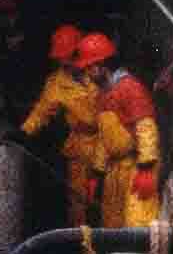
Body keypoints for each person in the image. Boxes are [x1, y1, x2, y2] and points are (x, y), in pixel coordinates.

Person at [20, 25, 102, 225]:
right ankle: (82, 243)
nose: (67, 63)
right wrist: (24, 132)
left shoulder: (98, 69)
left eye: (70, 57)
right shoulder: (56, 84)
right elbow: (41, 112)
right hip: (81, 148)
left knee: (111, 195)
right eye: (63, 60)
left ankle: (115, 240)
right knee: (79, 200)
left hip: (110, 142)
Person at [96, 55, 162, 230]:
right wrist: (98, 172)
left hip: (136, 167)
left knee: (137, 223)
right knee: (112, 225)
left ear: (101, 67)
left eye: (89, 67)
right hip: (115, 170)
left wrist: (146, 167)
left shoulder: (130, 88)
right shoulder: (104, 94)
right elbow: (105, 138)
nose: (87, 73)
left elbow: (146, 126)